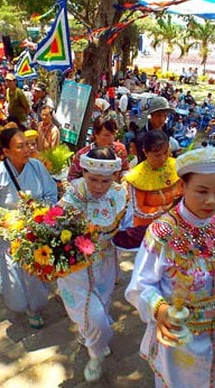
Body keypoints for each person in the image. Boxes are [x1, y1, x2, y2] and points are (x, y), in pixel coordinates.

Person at [125, 146, 215, 387]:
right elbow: (141, 285)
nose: (212, 200)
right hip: (185, 335)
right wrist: (161, 310)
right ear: (182, 187)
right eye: (201, 191)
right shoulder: (163, 233)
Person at [0, 127, 57, 328]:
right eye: (20, 146)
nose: (27, 149)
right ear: (6, 152)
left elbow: (51, 194)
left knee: (36, 273)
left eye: (28, 144)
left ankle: (35, 308)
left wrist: (39, 212)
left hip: (37, 230)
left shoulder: (37, 167)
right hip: (11, 236)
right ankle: (21, 304)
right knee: (15, 274)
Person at [57, 147, 127, 382]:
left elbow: (126, 232)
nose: (98, 186)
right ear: (83, 174)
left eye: (105, 181)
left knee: (102, 308)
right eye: (92, 179)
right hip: (75, 268)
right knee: (95, 318)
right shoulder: (74, 192)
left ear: (114, 177)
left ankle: (91, 337)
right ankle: (96, 354)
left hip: (105, 264)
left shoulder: (119, 195)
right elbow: (56, 224)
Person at [123, 130, 182, 229]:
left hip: (176, 221)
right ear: (145, 152)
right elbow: (138, 210)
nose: (163, 158)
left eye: (165, 152)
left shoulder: (177, 165)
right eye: (157, 155)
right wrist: (164, 209)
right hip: (147, 228)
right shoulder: (137, 177)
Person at [67, 116, 129, 182]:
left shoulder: (120, 150)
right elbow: (71, 177)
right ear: (96, 134)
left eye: (113, 134)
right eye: (107, 135)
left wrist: (124, 179)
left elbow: (125, 169)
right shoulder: (83, 155)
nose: (111, 139)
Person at [135, 97, 174, 162]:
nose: (161, 119)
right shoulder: (143, 136)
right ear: (151, 115)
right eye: (158, 115)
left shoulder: (166, 130)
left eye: (165, 115)